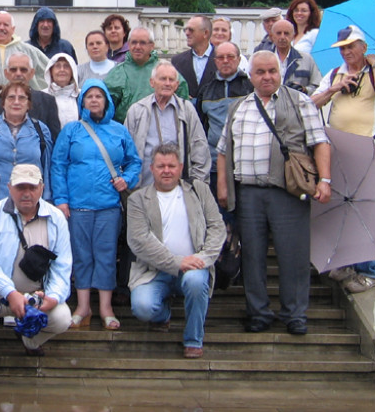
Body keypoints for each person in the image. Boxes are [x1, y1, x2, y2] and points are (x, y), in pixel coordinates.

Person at [216, 51, 331, 335]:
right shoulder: (239, 106)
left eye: (272, 71)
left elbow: (320, 142)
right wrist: (222, 186)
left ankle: (295, 314)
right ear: (250, 76)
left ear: (280, 73)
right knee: (252, 256)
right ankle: (258, 313)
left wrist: (325, 180)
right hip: (248, 193)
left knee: (293, 256)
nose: (267, 77)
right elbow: (223, 150)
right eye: (260, 72)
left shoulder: (300, 101)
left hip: (288, 191)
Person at [0, 164, 72, 386]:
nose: (27, 193)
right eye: (20, 187)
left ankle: (30, 339)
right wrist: (10, 292)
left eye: (32, 187)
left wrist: (53, 297)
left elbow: (63, 266)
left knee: (63, 317)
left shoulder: (56, 218)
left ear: (42, 188)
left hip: (36, 297)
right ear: (9, 188)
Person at [51, 80, 141, 330]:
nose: (93, 100)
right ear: (82, 102)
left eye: (98, 96)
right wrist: (61, 200)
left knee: (106, 254)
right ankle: (83, 307)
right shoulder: (71, 130)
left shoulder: (119, 130)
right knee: (81, 255)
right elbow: (58, 165)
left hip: (108, 206)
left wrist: (127, 179)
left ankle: (105, 307)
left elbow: (134, 161)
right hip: (77, 205)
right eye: (89, 96)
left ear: (107, 101)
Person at [311, 25, 375, 293]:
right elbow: (312, 103)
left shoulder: (374, 72)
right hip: (337, 147)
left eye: (351, 47)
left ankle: (368, 271)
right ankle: (346, 263)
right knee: (340, 207)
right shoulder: (335, 73)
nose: (346, 52)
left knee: (361, 212)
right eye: (343, 48)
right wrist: (335, 88)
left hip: (366, 148)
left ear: (363, 47)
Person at [127, 144, 224, 359]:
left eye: (171, 166)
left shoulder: (199, 191)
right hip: (153, 271)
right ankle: (163, 316)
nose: (166, 171)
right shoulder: (138, 200)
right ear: (151, 168)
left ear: (180, 167)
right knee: (142, 307)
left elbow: (217, 227)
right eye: (161, 166)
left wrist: (203, 258)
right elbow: (139, 241)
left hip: (194, 267)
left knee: (196, 282)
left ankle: (193, 339)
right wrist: (176, 262)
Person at [0, 81, 54, 217]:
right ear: (3, 103)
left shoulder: (41, 130)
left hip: (30, 202)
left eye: (22, 98)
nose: (16, 102)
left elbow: (47, 168)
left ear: (28, 104)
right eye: (11, 97)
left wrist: (47, 200)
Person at [124, 62, 210, 189]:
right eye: (163, 79)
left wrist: (194, 185)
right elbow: (126, 151)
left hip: (180, 190)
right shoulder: (137, 110)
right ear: (152, 82)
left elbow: (200, 148)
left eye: (171, 80)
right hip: (144, 189)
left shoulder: (187, 109)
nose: (167, 83)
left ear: (177, 85)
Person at [196, 42, 253, 205]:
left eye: (230, 57)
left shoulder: (250, 87)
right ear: (215, 61)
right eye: (221, 57)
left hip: (244, 164)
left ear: (239, 59)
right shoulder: (206, 90)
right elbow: (201, 127)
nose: (226, 61)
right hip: (214, 165)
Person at [105, 27, 189, 123]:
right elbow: (106, 108)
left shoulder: (166, 71)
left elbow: (183, 105)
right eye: (134, 42)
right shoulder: (117, 73)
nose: (137, 47)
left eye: (142, 43)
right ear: (128, 44)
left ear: (152, 46)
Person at [0, 52, 61, 139]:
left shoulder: (47, 101)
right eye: (13, 70)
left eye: (23, 70)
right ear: (6, 73)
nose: (18, 73)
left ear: (32, 73)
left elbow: (54, 139)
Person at [0, 11, 49, 90]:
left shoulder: (29, 51)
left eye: (6, 25)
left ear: (13, 29)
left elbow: (49, 71)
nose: (1, 28)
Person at [171, 15, 217, 100]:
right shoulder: (177, 61)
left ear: (205, 33)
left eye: (191, 30)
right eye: (185, 30)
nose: (187, 33)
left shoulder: (222, 59)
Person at [270, 19, 322, 94]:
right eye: (279, 33)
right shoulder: (263, 60)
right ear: (272, 36)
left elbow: (318, 87)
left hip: (297, 100)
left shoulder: (306, 59)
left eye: (286, 33)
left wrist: (304, 90)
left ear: (293, 36)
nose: (282, 37)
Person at [44, 53, 80, 126]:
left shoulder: (82, 95)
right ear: (51, 71)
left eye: (66, 66)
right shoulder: (42, 96)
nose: (62, 70)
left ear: (72, 71)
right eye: (58, 66)